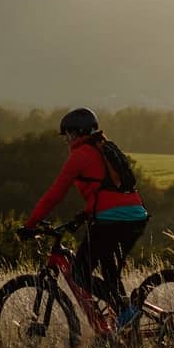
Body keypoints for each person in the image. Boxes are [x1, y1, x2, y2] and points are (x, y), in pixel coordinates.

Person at [21, 107, 150, 327]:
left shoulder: (79, 156)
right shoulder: (103, 148)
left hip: (111, 220)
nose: (66, 141)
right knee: (110, 274)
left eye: (67, 135)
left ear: (75, 133)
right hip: (136, 215)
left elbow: (54, 195)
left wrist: (30, 225)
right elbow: (106, 190)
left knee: (79, 274)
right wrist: (83, 216)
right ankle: (123, 329)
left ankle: (125, 310)